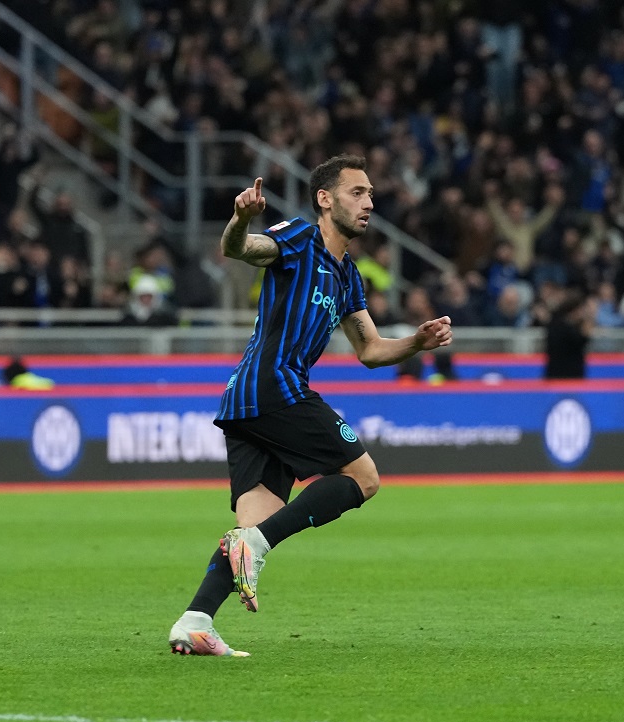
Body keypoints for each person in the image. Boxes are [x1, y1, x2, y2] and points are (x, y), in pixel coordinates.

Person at [168, 154, 452, 657]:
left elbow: (369, 350)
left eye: (370, 195)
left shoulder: (347, 276)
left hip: (248, 403)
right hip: (274, 387)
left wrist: (416, 343)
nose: (369, 203)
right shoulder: (298, 239)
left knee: (253, 526)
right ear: (325, 199)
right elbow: (239, 248)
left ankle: (195, 620)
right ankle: (254, 548)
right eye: (357, 192)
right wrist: (241, 218)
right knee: (365, 479)